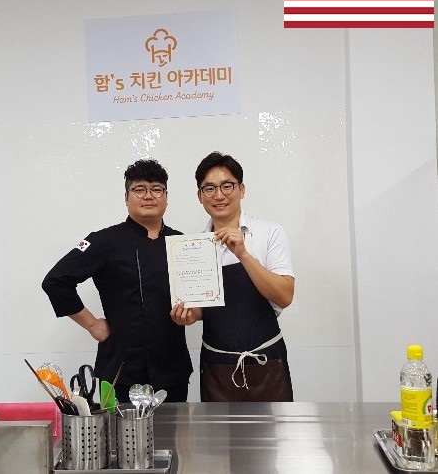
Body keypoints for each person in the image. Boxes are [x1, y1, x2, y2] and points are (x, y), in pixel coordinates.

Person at [42, 159, 192, 403]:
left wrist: (193, 313)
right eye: (139, 189)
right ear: (126, 197)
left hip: (171, 370)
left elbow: (200, 295)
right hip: (119, 371)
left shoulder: (183, 243)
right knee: (116, 429)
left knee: (172, 429)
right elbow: (56, 281)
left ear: (166, 196)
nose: (149, 196)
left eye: (156, 189)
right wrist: (92, 325)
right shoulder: (103, 241)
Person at [171, 151, 295, 402]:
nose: (219, 195)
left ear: (242, 189)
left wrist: (243, 254)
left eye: (227, 186)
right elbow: (203, 307)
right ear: (200, 196)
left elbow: (284, 296)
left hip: (267, 361)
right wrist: (190, 315)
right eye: (209, 188)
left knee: (274, 429)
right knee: (218, 430)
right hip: (216, 366)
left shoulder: (270, 232)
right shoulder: (193, 249)